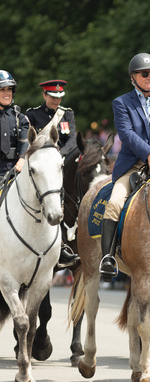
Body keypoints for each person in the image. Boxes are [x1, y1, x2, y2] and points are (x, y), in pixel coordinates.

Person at [99, 52, 150, 281]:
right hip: (133, 165)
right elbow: (126, 134)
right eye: (145, 73)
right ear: (133, 77)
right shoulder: (122, 102)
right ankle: (107, 257)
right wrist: (148, 154)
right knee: (115, 203)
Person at [26, 79, 79, 268]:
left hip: (59, 164)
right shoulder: (32, 115)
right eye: (53, 97)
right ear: (44, 95)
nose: (57, 101)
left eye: (59, 97)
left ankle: (66, 243)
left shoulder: (67, 114)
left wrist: (59, 156)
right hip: (40, 167)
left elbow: (72, 141)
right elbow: (29, 143)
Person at [0, 70, 29, 178]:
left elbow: (25, 142)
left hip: (16, 171)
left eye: (9, 89)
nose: (7, 93)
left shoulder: (19, 118)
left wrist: (22, 160)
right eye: (2, 90)